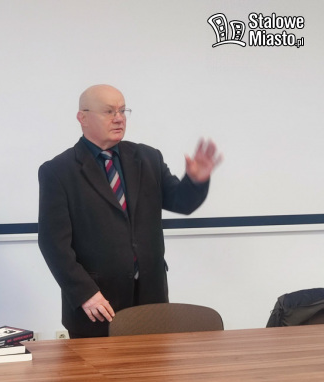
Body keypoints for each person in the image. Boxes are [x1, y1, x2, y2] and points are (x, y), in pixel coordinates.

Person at [38, 84, 222, 338]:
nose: (119, 118)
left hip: (151, 298)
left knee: (154, 364)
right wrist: (85, 293)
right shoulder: (58, 171)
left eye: (123, 111)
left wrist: (196, 180)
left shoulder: (148, 158)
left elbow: (182, 203)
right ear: (82, 117)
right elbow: (53, 244)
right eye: (109, 111)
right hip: (97, 304)